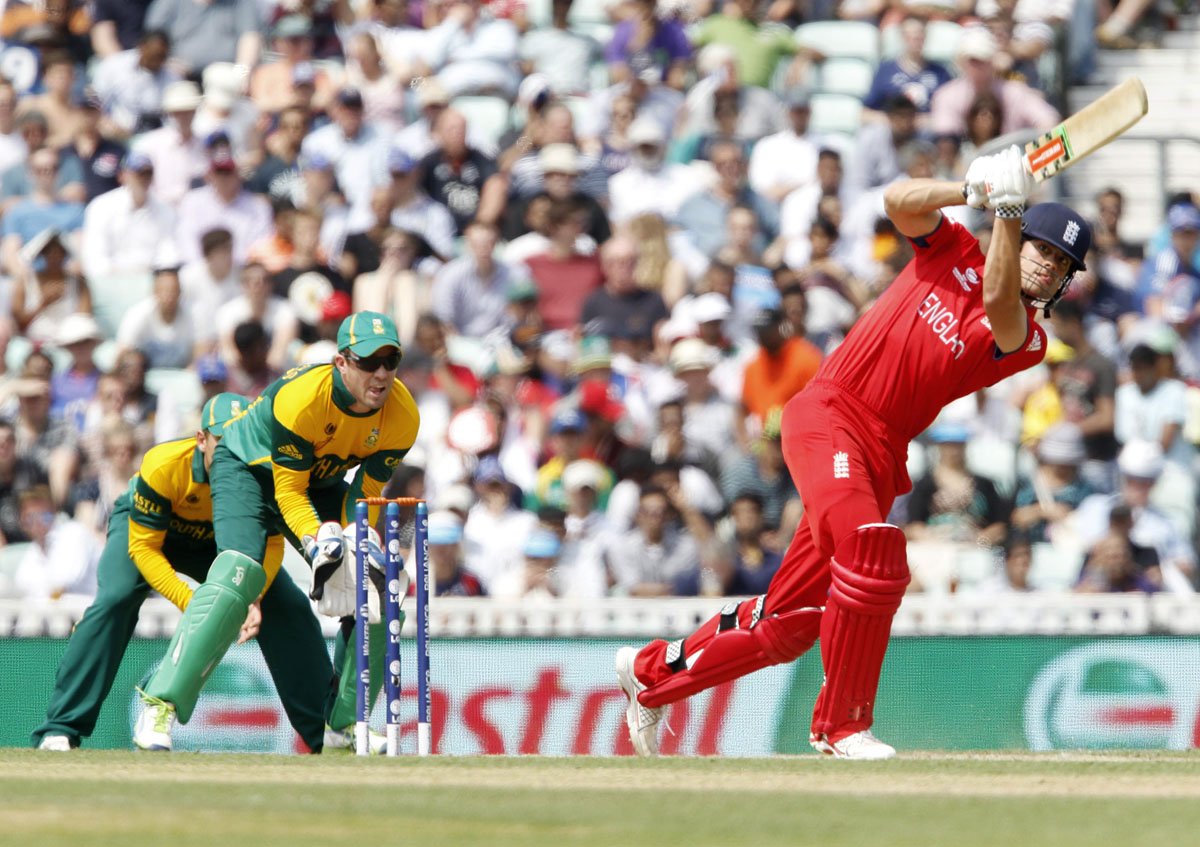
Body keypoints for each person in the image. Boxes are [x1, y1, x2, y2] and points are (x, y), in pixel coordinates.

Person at [614, 144, 1094, 759]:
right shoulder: (955, 250)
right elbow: (899, 202)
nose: (1049, 267)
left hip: (879, 452)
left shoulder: (1027, 339)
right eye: (1044, 249)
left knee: (788, 626)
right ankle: (839, 728)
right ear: (1023, 240)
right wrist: (968, 190)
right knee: (873, 553)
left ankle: (650, 677)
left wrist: (1005, 211)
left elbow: (1000, 304)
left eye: (1062, 265)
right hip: (830, 414)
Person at [131, 311, 421, 748]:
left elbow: (366, 495)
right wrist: (317, 540)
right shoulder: (303, 398)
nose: (381, 373)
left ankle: (343, 723)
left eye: (390, 360)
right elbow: (286, 491)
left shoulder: (403, 416)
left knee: (379, 584)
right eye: (368, 361)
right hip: (248, 468)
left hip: (317, 481)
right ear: (341, 362)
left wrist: (351, 542)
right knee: (239, 572)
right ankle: (160, 706)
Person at [31, 394, 333, 753]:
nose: (232, 456)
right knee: (116, 598)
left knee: (288, 606)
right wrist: (199, 606)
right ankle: (60, 730)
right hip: (153, 534)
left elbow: (270, 545)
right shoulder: (164, 464)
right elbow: (143, 548)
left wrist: (253, 597)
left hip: (221, 542)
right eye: (223, 443)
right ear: (201, 439)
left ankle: (327, 735)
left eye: (242, 442)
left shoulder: (263, 470)